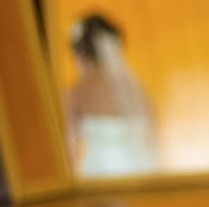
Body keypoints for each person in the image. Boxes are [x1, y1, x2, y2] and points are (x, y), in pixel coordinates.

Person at [64, 12, 160, 177]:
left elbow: (68, 147)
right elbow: (153, 138)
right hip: (142, 169)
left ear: (79, 53)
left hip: (99, 172)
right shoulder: (138, 91)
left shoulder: (76, 93)